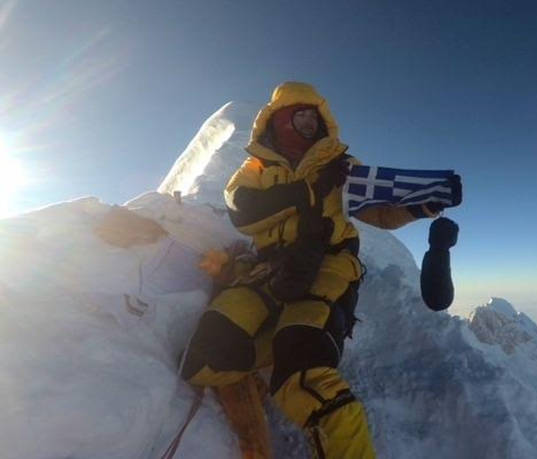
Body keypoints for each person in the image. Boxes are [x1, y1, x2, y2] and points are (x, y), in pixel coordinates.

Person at [181, 82, 462, 458]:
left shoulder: (342, 166)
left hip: (329, 264)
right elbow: (242, 211)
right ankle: (279, 348)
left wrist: (421, 206)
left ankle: (294, 360)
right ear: (279, 120)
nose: (309, 124)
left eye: (314, 116)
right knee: (203, 359)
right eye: (300, 116)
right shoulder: (254, 168)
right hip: (265, 269)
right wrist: (305, 194)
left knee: (304, 374)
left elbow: (378, 211)